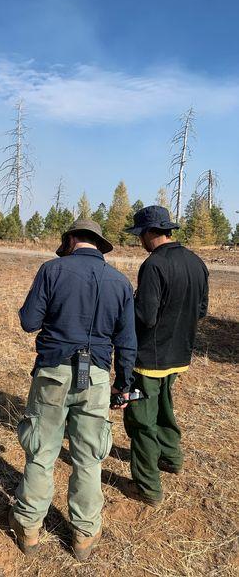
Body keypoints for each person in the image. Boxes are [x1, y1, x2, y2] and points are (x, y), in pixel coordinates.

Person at [9, 219, 137, 560]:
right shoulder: (121, 282)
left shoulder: (52, 270)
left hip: (52, 373)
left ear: (71, 239)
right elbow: (127, 343)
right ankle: (83, 535)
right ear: (98, 245)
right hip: (95, 378)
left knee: (42, 451)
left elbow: (28, 322)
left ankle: (29, 529)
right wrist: (123, 386)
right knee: (89, 459)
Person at [124, 205, 209, 507]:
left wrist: (126, 308)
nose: (140, 242)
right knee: (164, 405)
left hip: (149, 358)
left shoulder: (154, 265)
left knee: (141, 420)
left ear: (150, 233)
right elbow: (201, 311)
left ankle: (147, 487)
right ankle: (171, 458)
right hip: (179, 354)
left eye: (139, 236)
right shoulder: (197, 263)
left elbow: (145, 316)